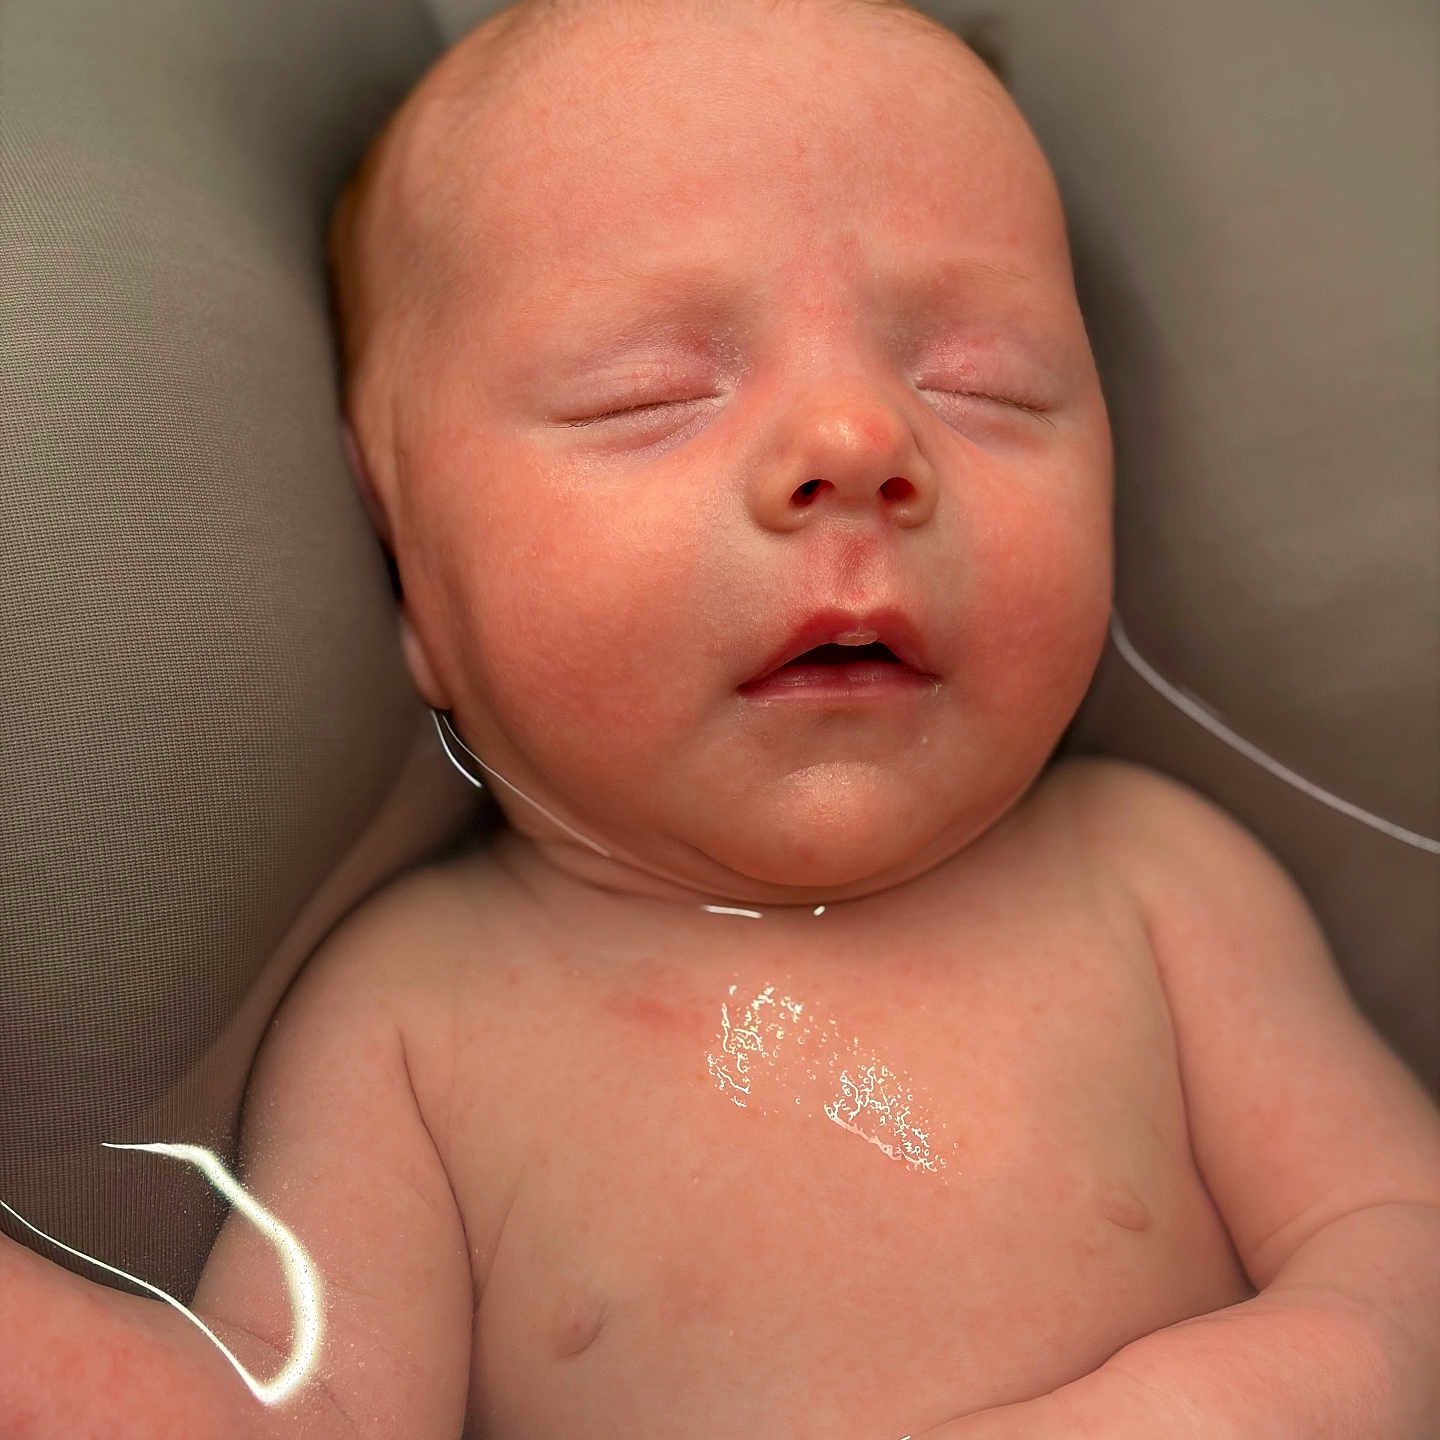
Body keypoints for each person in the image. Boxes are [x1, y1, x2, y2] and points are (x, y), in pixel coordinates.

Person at [4, 1, 1439, 1435]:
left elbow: (1401, 1244)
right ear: (410, 577)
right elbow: (287, 1414)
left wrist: (1215, 1404)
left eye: (981, 381)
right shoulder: (415, 1025)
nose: (859, 443)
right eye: (651, 395)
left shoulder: (1155, 885)